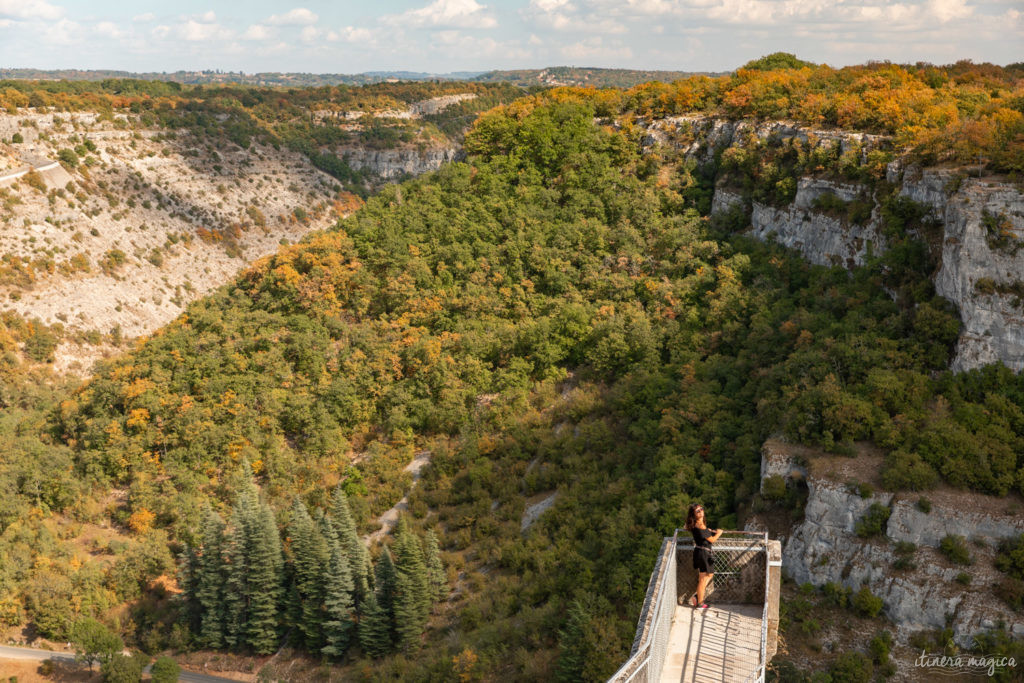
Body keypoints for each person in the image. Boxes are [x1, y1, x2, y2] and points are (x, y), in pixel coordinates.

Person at [684, 503, 722, 609]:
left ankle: (698, 597)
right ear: (694, 514)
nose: (701, 511)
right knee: (704, 579)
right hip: (704, 553)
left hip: (699, 552)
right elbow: (712, 540)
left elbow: (685, 526)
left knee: (707, 576)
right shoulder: (700, 525)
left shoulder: (694, 524)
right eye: (698, 511)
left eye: (701, 509)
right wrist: (719, 533)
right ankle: (700, 602)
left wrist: (707, 531)